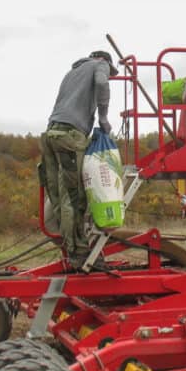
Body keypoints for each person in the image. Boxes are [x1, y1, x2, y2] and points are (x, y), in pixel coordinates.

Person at [40, 50, 118, 268]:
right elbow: (102, 83)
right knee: (74, 198)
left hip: (50, 136)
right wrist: (103, 117)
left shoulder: (71, 73)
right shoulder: (99, 65)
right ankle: (79, 253)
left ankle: (69, 246)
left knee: (58, 197)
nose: (109, 75)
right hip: (69, 137)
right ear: (104, 60)